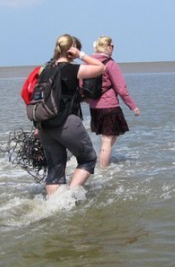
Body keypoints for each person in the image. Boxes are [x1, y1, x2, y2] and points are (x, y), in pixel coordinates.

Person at [37, 34, 105, 196]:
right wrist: (81, 56)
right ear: (72, 49)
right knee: (88, 159)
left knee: (55, 167)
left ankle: (53, 204)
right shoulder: (71, 69)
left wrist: (37, 127)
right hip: (66, 122)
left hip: (44, 125)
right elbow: (101, 67)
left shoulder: (45, 69)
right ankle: (71, 196)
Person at [85, 35, 140, 167]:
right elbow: (121, 89)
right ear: (108, 46)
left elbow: (81, 84)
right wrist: (133, 106)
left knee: (109, 138)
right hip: (109, 106)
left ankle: (101, 158)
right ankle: (103, 168)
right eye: (113, 46)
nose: (113, 49)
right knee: (107, 140)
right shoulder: (110, 63)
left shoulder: (88, 62)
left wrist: (87, 100)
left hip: (94, 108)